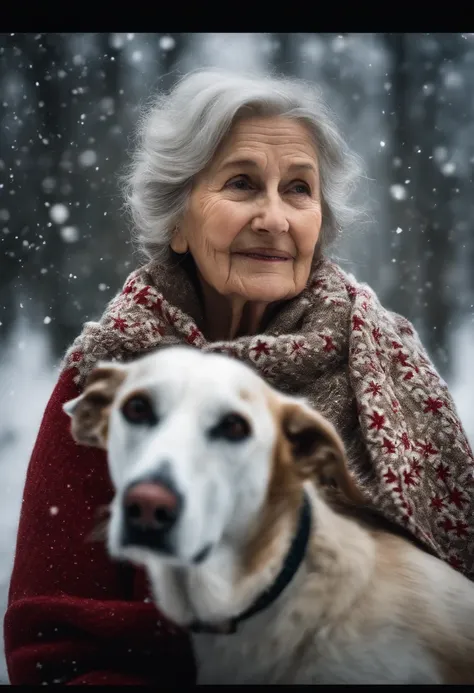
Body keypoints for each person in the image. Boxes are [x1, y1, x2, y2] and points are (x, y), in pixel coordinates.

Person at [4, 68, 473, 686]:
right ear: (176, 221)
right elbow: (54, 647)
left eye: (298, 189)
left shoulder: (382, 362)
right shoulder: (114, 377)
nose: (274, 218)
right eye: (242, 184)